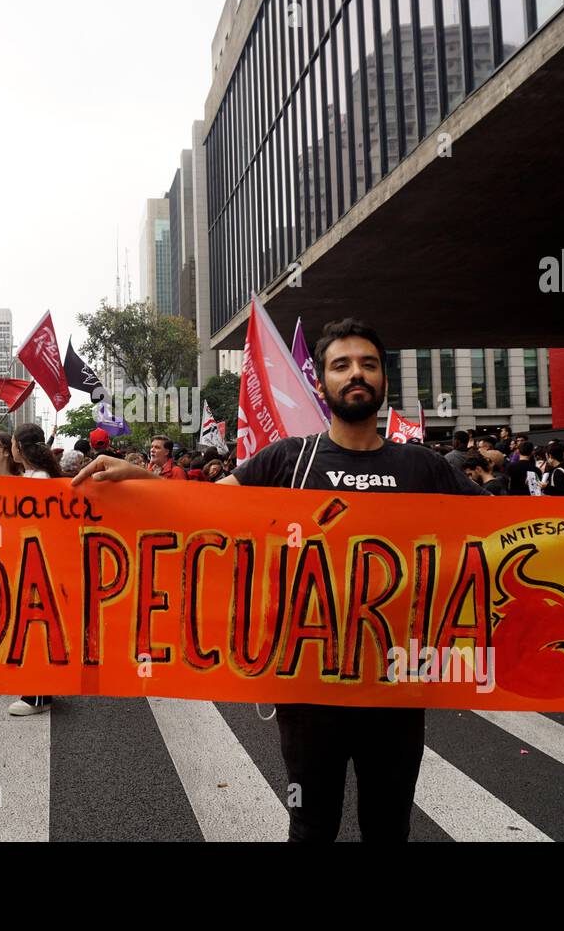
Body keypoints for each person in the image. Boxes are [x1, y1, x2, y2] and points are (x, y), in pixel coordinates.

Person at [73, 317, 485, 841]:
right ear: (321, 383)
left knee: (389, 827)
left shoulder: (425, 467)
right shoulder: (288, 459)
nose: (355, 373)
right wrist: (141, 481)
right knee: (312, 825)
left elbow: (506, 532)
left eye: (368, 364)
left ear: (384, 381)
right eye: (341, 365)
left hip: (397, 688)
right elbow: (205, 507)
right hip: (308, 689)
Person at [8, 422, 63, 717]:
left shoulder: (39, 479)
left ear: (20, 446)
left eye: (12, 443)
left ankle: (39, 696)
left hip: (38, 560)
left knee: (37, 627)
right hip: (30, 558)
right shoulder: (32, 475)